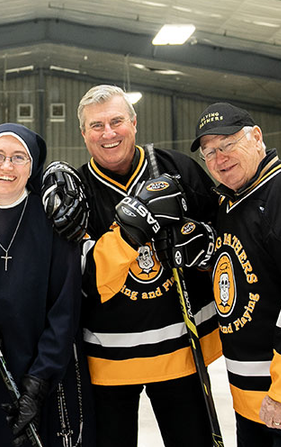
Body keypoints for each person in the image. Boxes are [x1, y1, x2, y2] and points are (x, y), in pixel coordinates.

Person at [70, 84, 222, 446]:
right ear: (83, 133)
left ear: (134, 123)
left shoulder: (178, 168)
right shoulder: (77, 189)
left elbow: (224, 237)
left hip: (180, 354)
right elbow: (83, 278)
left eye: (116, 121)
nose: (108, 133)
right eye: (96, 126)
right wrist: (130, 232)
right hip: (108, 361)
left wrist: (204, 244)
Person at [191, 102, 281, 446]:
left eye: (227, 145)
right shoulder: (229, 202)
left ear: (256, 137)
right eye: (209, 153)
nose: (219, 159)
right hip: (247, 399)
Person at [0, 123, 94, 447]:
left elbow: (66, 307)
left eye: (18, 157)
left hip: (50, 371)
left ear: (33, 165)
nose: (6, 166)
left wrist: (40, 379)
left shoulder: (51, 216)